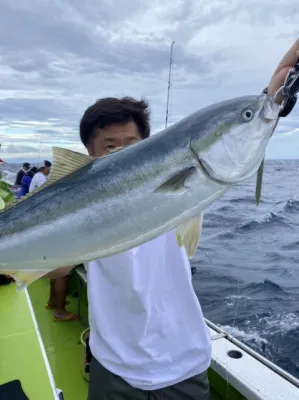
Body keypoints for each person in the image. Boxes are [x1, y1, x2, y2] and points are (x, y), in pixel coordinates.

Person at [49, 40, 299, 399]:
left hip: (185, 363)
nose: (123, 150)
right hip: (114, 367)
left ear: (150, 143)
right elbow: (54, 271)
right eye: (110, 146)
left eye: (132, 142)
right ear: (89, 153)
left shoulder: (192, 182)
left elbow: (254, 121)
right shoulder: (79, 203)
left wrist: (278, 82)